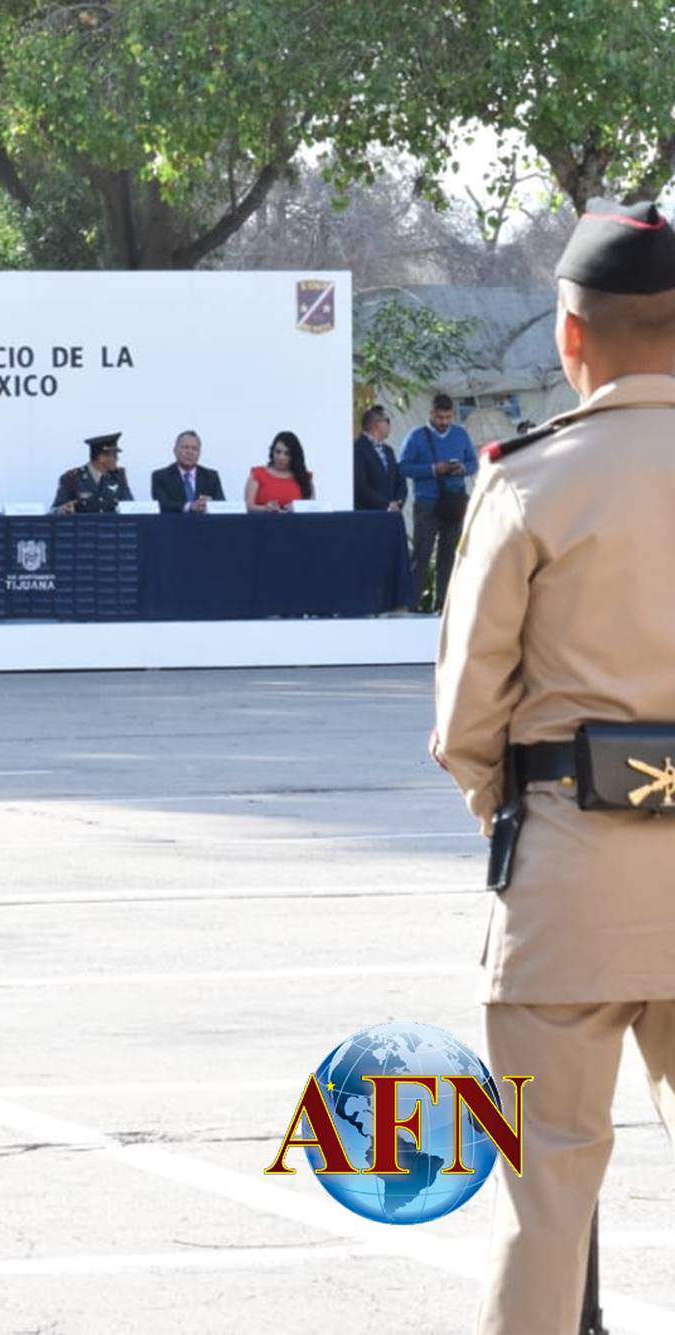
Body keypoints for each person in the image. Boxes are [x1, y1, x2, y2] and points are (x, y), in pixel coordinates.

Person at [430, 199, 675, 1335]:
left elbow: (464, 720)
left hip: (567, 888)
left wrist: (526, 806)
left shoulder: (528, 479)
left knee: (543, 1201)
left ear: (568, 335)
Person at [400, 392, 480, 610]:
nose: (444, 422)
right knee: (422, 553)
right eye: (440, 418)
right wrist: (433, 469)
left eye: (448, 418)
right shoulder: (416, 436)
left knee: (449, 554)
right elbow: (404, 467)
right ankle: (413, 603)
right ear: (431, 413)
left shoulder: (460, 434)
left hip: (454, 501)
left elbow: (474, 462)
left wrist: (461, 468)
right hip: (427, 502)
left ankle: (444, 604)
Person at [51, 433, 132, 513]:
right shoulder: (72, 478)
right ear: (101, 458)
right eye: (114, 455)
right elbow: (53, 511)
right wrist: (62, 509)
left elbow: (131, 507)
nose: (117, 458)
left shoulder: (118, 477)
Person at [149, 430, 225, 513]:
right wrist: (189, 506)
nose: (189, 452)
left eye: (194, 449)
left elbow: (221, 504)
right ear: (175, 451)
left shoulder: (211, 476)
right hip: (174, 524)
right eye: (185, 447)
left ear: (199, 453)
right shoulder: (160, 476)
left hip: (205, 524)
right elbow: (162, 504)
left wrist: (211, 505)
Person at [351, 404, 406, 512]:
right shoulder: (358, 449)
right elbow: (360, 486)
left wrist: (399, 501)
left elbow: (400, 480)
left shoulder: (389, 451)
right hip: (368, 514)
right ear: (376, 424)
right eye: (387, 421)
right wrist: (386, 505)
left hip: (391, 515)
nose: (389, 426)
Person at [244, 431, 314, 511]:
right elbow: (247, 507)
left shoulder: (304, 477)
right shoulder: (258, 474)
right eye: (278, 452)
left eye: (287, 453)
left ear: (294, 456)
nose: (281, 457)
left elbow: (312, 508)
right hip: (263, 522)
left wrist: (296, 507)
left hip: (296, 523)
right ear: (272, 452)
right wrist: (265, 508)